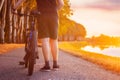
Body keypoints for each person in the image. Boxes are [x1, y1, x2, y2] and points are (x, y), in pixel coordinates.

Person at [13, 0, 64, 71]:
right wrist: (54, 10)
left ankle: (47, 65)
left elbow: (21, 1)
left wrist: (14, 8)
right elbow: (61, 3)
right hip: (53, 15)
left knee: (45, 40)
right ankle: (55, 65)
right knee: (54, 40)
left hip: (42, 15)